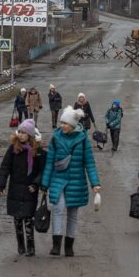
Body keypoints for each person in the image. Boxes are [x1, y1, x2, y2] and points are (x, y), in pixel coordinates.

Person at [40, 107, 101, 257]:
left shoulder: (82, 140)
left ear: (73, 125)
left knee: (73, 213)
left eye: (65, 123)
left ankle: (69, 246)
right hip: (58, 179)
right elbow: (49, 163)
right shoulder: (55, 139)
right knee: (58, 208)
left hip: (76, 181)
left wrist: (95, 183)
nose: (62, 126)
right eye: (61, 123)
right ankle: (56, 245)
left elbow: (90, 163)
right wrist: (44, 184)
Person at [0, 119, 45, 256]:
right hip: (15, 188)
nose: (21, 135)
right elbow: (5, 167)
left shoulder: (37, 151)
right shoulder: (13, 149)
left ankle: (31, 245)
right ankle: (20, 244)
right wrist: (1, 184)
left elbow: (43, 170)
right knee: (17, 218)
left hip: (30, 189)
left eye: (24, 132)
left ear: (30, 135)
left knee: (28, 218)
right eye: (19, 132)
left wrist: (36, 184)